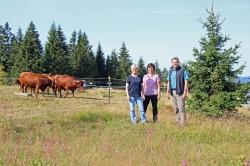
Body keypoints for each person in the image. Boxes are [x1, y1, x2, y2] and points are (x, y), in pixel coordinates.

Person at [166, 57, 189, 126]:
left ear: (178, 62)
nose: (175, 63)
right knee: (175, 108)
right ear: (172, 63)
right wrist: (167, 92)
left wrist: (185, 92)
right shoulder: (170, 70)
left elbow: (186, 81)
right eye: (173, 62)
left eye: (176, 62)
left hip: (180, 92)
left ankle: (183, 124)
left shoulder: (183, 70)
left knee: (181, 108)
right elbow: (168, 81)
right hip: (172, 92)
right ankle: (178, 122)